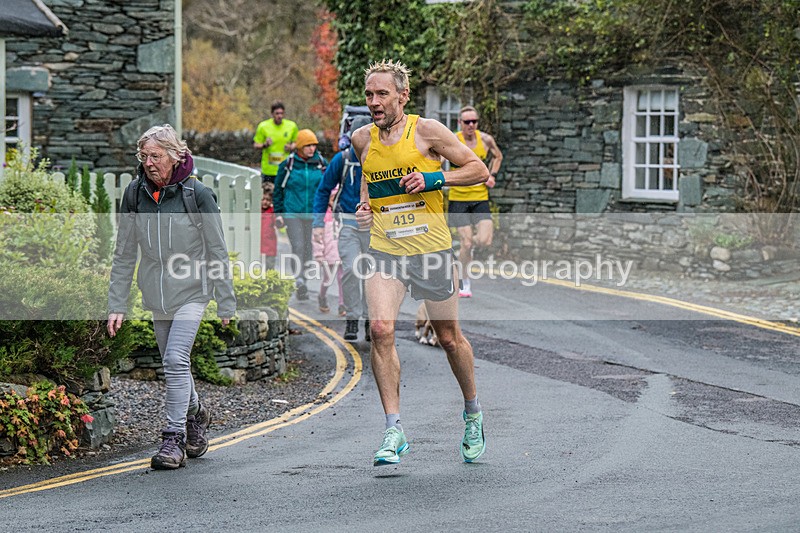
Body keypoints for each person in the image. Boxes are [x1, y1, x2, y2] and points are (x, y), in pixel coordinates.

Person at [351, 60, 489, 466]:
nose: (374, 102)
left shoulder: (426, 131)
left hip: (430, 250)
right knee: (380, 329)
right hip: (385, 250)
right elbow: (368, 178)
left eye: (382, 95)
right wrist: (364, 207)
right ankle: (393, 429)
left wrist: (434, 179)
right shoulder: (362, 139)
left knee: (449, 338)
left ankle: (473, 413)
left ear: (402, 96)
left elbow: (476, 169)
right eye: (369, 95)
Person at [107, 124, 236, 470]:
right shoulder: (135, 194)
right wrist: (117, 303)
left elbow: (217, 251)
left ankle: (173, 438)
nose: (149, 163)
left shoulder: (198, 195)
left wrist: (225, 300)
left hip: (193, 291)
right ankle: (196, 414)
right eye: (143, 156)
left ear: (175, 155)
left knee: (176, 360)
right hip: (156, 295)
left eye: (156, 156)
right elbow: (123, 253)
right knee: (172, 363)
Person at [313, 114, 374, 342]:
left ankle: (369, 319)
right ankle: (352, 317)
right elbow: (323, 190)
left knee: (371, 273)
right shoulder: (343, 159)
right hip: (347, 224)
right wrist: (319, 223)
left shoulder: (381, 159)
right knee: (350, 269)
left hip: (375, 227)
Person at [448, 106, 503, 298]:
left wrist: (492, 175)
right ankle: (464, 281)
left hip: (480, 198)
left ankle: (459, 252)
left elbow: (498, 157)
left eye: (474, 122)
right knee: (468, 242)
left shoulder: (486, 140)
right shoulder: (453, 140)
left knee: (485, 240)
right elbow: (435, 158)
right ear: (460, 123)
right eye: (467, 122)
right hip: (459, 199)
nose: (471, 125)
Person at [274, 128, 327, 301]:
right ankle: (298, 279)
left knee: (308, 249)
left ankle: (303, 278)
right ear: (299, 147)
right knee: (298, 245)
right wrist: (278, 214)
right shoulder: (288, 165)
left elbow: (328, 188)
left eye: (313, 145)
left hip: (313, 213)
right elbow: (278, 191)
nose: (311, 149)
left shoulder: (321, 163)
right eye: (307, 145)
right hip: (292, 212)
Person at [312, 188, 344, 314]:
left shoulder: (342, 213)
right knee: (327, 279)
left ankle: (342, 305)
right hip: (328, 255)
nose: (333, 200)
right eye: (332, 197)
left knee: (342, 279)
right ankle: (322, 296)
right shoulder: (322, 216)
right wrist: (319, 254)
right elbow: (317, 237)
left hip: (341, 253)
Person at [253, 101, 299, 184]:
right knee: (268, 195)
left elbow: (297, 142)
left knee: (283, 195)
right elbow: (256, 144)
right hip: (268, 170)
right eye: (277, 113)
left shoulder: (291, 126)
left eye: (281, 113)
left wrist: (291, 147)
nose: (279, 116)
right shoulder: (263, 126)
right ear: (272, 114)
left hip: (285, 168)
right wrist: (265, 144)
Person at [261, 182, 278, 270]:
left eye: (268, 200)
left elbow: (278, 224)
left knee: (270, 267)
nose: (265, 202)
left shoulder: (272, 212)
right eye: (263, 199)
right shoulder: (256, 211)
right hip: (258, 245)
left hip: (269, 245)